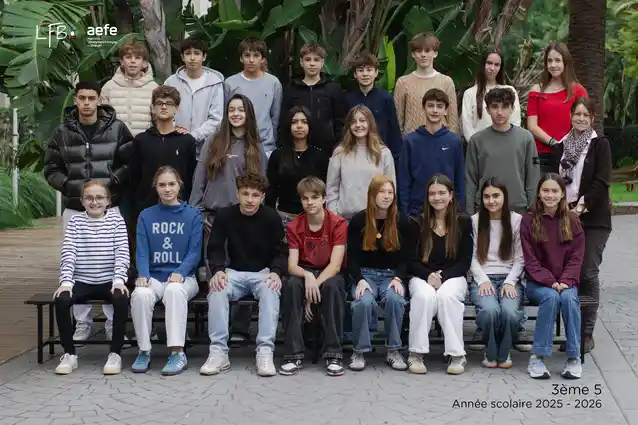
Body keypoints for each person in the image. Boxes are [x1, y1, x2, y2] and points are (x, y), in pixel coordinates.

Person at [43, 80, 133, 342]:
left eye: (91, 98)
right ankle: (82, 323)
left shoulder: (116, 128)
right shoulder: (63, 132)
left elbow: (130, 163)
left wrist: (112, 182)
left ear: (99, 100)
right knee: (74, 260)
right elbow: (51, 168)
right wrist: (70, 186)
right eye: (81, 98)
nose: (86, 103)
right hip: (75, 207)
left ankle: (112, 322)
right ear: (75, 100)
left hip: (111, 207)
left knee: (113, 259)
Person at [202, 173, 287, 377]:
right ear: (237, 194)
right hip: (233, 272)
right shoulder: (225, 215)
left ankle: (265, 351)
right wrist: (218, 270)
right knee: (217, 289)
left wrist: (276, 272)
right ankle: (219, 352)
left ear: (262, 197)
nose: (250, 199)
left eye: (255, 195)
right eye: (245, 194)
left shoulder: (271, 217)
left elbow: (281, 250)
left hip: (263, 273)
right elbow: (214, 247)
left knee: (271, 290)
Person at [130, 166, 203, 376]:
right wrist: (143, 275)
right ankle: (144, 350)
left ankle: (177, 353)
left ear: (179, 185)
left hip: (184, 278)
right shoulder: (146, 216)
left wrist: (180, 272)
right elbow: (142, 251)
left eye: (172, 184)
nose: (167, 189)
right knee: (140, 294)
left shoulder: (193, 215)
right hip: (154, 277)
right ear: (156, 187)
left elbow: (194, 251)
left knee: (174, 290)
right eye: (162, 185)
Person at [53, 181, 130, 375]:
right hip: (82, 281)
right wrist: (66, 282)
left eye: (99, 197)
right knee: (61, 299)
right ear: (82, 201)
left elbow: (122, 253)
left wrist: (118, 280)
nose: (94, 202)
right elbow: (68, 252)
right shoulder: (75, 222)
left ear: (108, 200)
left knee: (121, 297)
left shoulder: (117, 221)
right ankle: (69, 354)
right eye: (89, 198)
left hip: (108, 280)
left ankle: (115, 353)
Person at [555, 97, 612, 353]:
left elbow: (602, 181)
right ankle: (572, 333)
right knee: (570, 274)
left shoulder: (600, 145)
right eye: (576, 114)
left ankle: (586, 333)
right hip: (564, 218)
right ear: (570, 116)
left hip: (593, 219)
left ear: (592, 118)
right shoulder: (562, 145)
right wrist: (563, 211)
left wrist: (579, 208)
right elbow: (555, 182)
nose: (580, 118)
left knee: (587, 273)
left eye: (585, 115)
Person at [279, 176, 348, 376]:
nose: (310, 202)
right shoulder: (294, 226)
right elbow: (292, 266)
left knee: (333, 286)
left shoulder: (338, 223)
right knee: (291, 285)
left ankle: (333, 354)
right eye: (305, 198)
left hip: (328, 271)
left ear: (324, 198)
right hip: (304, 271)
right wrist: (308, 276)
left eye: (315, 197)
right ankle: (293, 355)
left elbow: (335, 265)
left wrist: (313, 289)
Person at [347, 175, 416, 372]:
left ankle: (393, 350)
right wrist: (360, 280)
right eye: (382, 192)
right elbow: (351, 258)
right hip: (365, 274)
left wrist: (399, 277)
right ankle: (359, 350)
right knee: (363, 302)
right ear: (372, 195)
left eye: (390, 192)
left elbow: (407, 257)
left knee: (395, 299)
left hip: (391, 275)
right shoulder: (359, 221)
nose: (386, 196)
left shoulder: (402, 222)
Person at [407, 174, 472, 375]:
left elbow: (465, 261)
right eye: (432, 193)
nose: (437, 197)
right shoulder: (417, 223)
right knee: (424, 296)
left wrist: (443, 277)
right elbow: (411, 260)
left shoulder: (463, 222)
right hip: (422, 276)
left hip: (454, 276)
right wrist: (428, 276)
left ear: (451, 195)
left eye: (442, 193)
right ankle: (416, 353)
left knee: (446, 296)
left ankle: (457, 354)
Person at [521, 173, 585, 379]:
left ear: (562, 194)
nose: (550, 195)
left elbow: (576, 258)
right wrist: (550, 282)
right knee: (550, 297)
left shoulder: (572, 221)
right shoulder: (529, 220)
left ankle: (573, 357)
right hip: (538, 283)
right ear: (539, 193)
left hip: (566, 283)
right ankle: (538, 357)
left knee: (568, 299)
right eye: (545, 190)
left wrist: (565, 281)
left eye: (554, 191)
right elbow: (530, 260)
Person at [129, 85, 198, 245]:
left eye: (169, 103)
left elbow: (190, 176)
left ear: (177, 108)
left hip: (178, 209)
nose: (164, 106)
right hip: (146, 208)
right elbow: (134, 177)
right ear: (153, 107)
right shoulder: (141, 140)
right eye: (159, 103)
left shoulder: (186, 141)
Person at [469, 178, 524, 369]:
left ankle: (504, 351)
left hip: (510, 278)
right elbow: (472, 257)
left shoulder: (516, 220)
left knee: (510, 312)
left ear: (504, 197)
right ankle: (492, 352)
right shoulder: (475, 221)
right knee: (489, 311)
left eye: (496, 196)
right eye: (486, 196)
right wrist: (482, 280)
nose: (491, 201)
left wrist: (510, 281)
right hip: (484, 278)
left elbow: (520, 258)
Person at [465, 87, 540, 215]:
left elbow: (532, 176)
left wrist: (532, 209)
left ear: (512, 108)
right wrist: (470, 212)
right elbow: (470, 179)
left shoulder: (526, 138)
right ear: (487, 110)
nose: (499, 112)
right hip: (485, 208)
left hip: (518, 208)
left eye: (505, 107)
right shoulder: (477, 140)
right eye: (494, 107)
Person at [398, 89, 465, 217]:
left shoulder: (454, 142)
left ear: (446, 110)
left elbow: (459, 179)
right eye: (430, 105)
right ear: (423, 108)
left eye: (439, 106)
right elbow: (404, 181)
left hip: (447, 210)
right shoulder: (410, 141)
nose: (435, 110)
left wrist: (458, 211)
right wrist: (405, 214)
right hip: (417, 211)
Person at [526, 43, 588, 173]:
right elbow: (532, 125)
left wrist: (567, 146)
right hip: (541, 156)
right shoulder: (536, 90)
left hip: (570, 155)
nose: (553, 65)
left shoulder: (578, 91)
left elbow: (584, 122)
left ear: (566, 62)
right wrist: (554, 143)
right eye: (549, 61)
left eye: (557, 60)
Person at [326, 105, 395, 221]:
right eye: (353, 122)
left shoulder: (384, 153)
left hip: (375, 219)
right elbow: (331, 188)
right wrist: (334, 217)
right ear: (349, 126)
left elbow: (391, 188)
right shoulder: (340, 152)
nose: (358, 125)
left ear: (370, 123)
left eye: (362, 120)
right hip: (345, 220)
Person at [266, 106, 330, 228]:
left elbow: (325, 189)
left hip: (312, 217)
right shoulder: (278, 155)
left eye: (304, 122)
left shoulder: (320, 156)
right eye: (294, 122)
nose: (299, 126)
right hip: (284, 216)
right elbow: (271, 189)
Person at [280, 43, 346, 154]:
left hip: (327, 148)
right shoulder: (291, 89)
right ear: (301, 62)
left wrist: (339, 144)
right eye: (308, 59)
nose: (312, 64)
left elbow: (341, 121)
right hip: (298, 148)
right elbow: (284, 121)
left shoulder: (333, 88)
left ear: (322, 62)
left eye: (316, 60)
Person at [165, 37, 225, 158]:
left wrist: (193, 136)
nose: (192, 58)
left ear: (204, 57)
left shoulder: (215, 83)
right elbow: (164, 111)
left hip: (206, 150)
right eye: (188, 53)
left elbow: (216, 119)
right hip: (176, 146)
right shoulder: (171, 82)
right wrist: (174, 130)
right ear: (182, 57)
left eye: (197, 53)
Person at [224, 37, 283, 157]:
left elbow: (275, 117)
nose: (251, 60)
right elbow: (225, 115)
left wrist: (272, 139)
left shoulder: (273, 83)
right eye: (247, 55)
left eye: (256, 55)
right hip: (237, 145)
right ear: (241, 58)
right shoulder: (230, 83)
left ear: (263, 59)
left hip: (265, 146)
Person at [394, 32, 458, 136]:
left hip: (440, 139)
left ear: (435, 53)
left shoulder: (446, 82)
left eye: (427, 51)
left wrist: (450, 141)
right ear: (413, 54)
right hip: (412, 141)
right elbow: (397, 120)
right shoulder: (403, 82)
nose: (423, 55)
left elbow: (453, 119)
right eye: (418, 51)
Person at [345, 52, 403, 160]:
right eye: (360, 70)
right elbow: (345, 129)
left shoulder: (385, 98)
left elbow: (393, 130)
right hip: (355, 154)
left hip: (380, 154)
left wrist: (396, 157)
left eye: (369, 70)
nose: (365, 74)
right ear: (355, 74)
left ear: (376, 73)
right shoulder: (348, 99)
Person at [100, 39, 159, 136]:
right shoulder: (109, 87)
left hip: (145, 141)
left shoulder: (154, 88)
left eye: (137, 58)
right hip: (116, 141)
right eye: (128, 57)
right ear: (121, 61)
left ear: (144, 63)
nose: (132, 61)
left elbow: (159, 119)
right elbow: (102, 119)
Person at [461, 48, 521, 142]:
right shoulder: (470, 93)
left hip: (506, 144)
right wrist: (477, 146)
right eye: (489, 63)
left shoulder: (509, 90)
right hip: (479, 146)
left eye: (497, 64)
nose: (492, 68)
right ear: (483, 64)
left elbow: (516, 122)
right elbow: (467, 127)